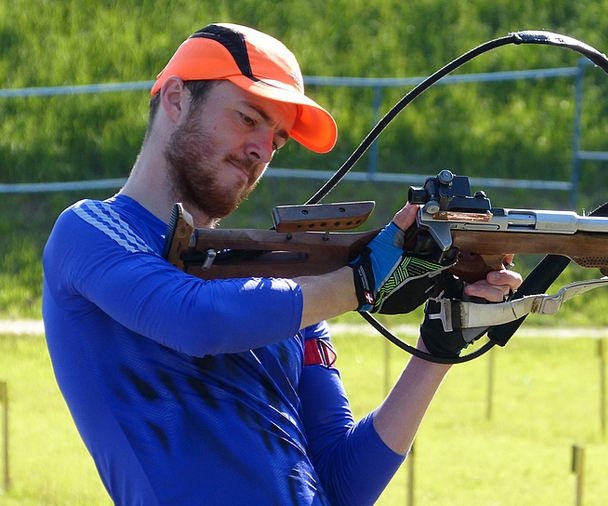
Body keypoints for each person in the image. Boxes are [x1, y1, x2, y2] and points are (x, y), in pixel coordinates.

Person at [42, 23, 521, 506]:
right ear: (175, 98)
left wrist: (435, 349)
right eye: (249, 119)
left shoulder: (289, 286)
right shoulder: (89, 230)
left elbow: (341, 484)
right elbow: (198, 320)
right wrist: (364, 279)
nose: (262, 151)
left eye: (277, 139)